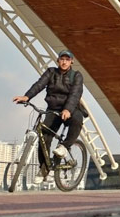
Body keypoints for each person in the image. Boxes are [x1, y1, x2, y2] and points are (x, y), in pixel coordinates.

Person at [13, 49, 85, 183]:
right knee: (43, 138)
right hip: (53, 109)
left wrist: (68, 109)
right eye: (62, 59)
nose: (64, 62)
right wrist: (27, 96)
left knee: (77, 120)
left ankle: (65, 146)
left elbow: (75, 94)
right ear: (58, 61)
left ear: (72, 61)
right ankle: (44, 169)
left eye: (67, 59)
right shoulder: (51, 73)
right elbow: (39, 85)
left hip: (71, 108)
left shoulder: (76, 76)